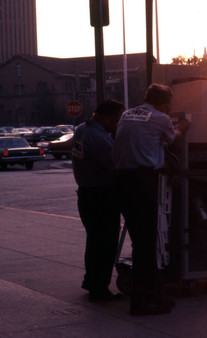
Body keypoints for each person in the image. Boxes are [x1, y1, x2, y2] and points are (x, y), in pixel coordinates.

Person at [113, 83, 189, 316]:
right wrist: (183, 127)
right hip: (143, 180)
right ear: (165, 103)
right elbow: (173, 139)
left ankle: (156, 295)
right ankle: (142, 302)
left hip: (122, 180)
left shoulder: (127, 114)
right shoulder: (161, 118)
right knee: (145, 244)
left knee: (140, 240)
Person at [71, 99, 125, 301]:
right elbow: (114, 166)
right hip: (101, 195)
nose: (118, 124)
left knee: (94, 242)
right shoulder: (99, 138)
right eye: (117, 119)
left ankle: (92, 281)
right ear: (107, 117)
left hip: (86, 193)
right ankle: (100, 289)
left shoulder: (82, 130)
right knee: (106, 243)